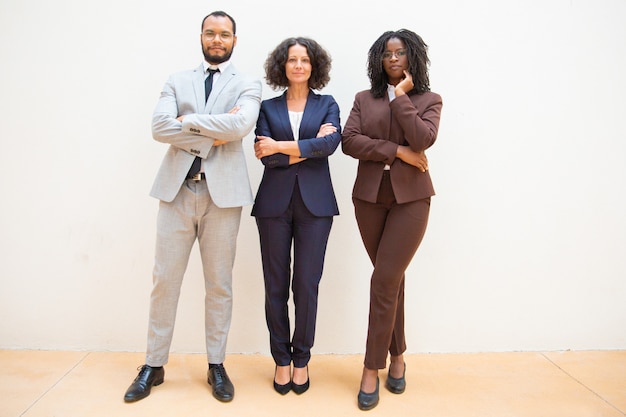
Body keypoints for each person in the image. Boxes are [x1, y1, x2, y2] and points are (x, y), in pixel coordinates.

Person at [123, 11, 262, 403]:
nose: (217, 39)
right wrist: (212, 130)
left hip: (224, 197)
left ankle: (216, 364)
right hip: (177, 192)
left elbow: (241, 127)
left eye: (224, 34)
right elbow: (158, 128)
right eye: (210, 33)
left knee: (219, 285)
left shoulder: (248, 82)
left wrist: (188, 122)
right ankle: (154, 363)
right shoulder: (176, 79)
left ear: (235, 39)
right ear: (201, 36)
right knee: (164, 281)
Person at [341, 29, 442, 411]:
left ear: (413, 58)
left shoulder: (428, 100)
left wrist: (401, 98)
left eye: (400, 53)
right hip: (368, 200)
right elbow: (350, 141)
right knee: (391, 280)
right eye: (387, 54)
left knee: (383, 279)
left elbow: (423, 139)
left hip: (411, 202)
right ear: (378, 61)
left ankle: (371, 368)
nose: (394, 59)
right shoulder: (362, 99)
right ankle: (397, 356)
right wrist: (397, 151)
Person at [252, 37, 341, 395]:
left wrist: (282, 146)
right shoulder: (267, 108)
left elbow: (330, 145)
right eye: (292, 60)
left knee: (305, 285)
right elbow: (264, 154)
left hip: (315, 207)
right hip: (273, 205)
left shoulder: (328, 104)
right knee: (275, 286)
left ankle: (301, 358)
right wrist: (308, 148)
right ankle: (281, 359)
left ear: (314, 66)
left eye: (305, 60)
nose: (299, 65)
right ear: (282, 66)